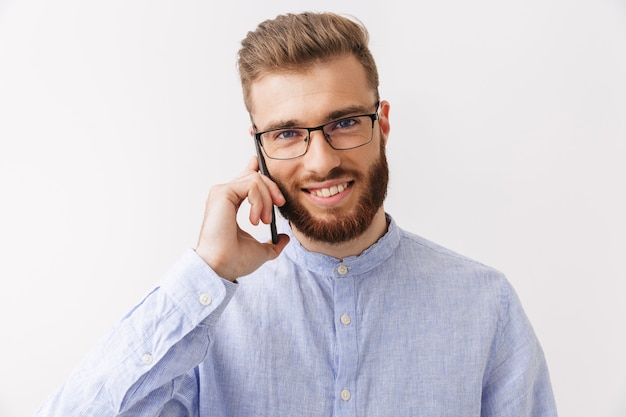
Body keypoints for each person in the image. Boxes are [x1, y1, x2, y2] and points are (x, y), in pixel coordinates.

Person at [36, 11, 557, 417]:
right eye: (288, 133)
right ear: (258, 149)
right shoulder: (200, 321)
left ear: (384, 123)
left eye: (345, 122)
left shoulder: (486, 306)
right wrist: (206, 271)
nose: (322, 159)